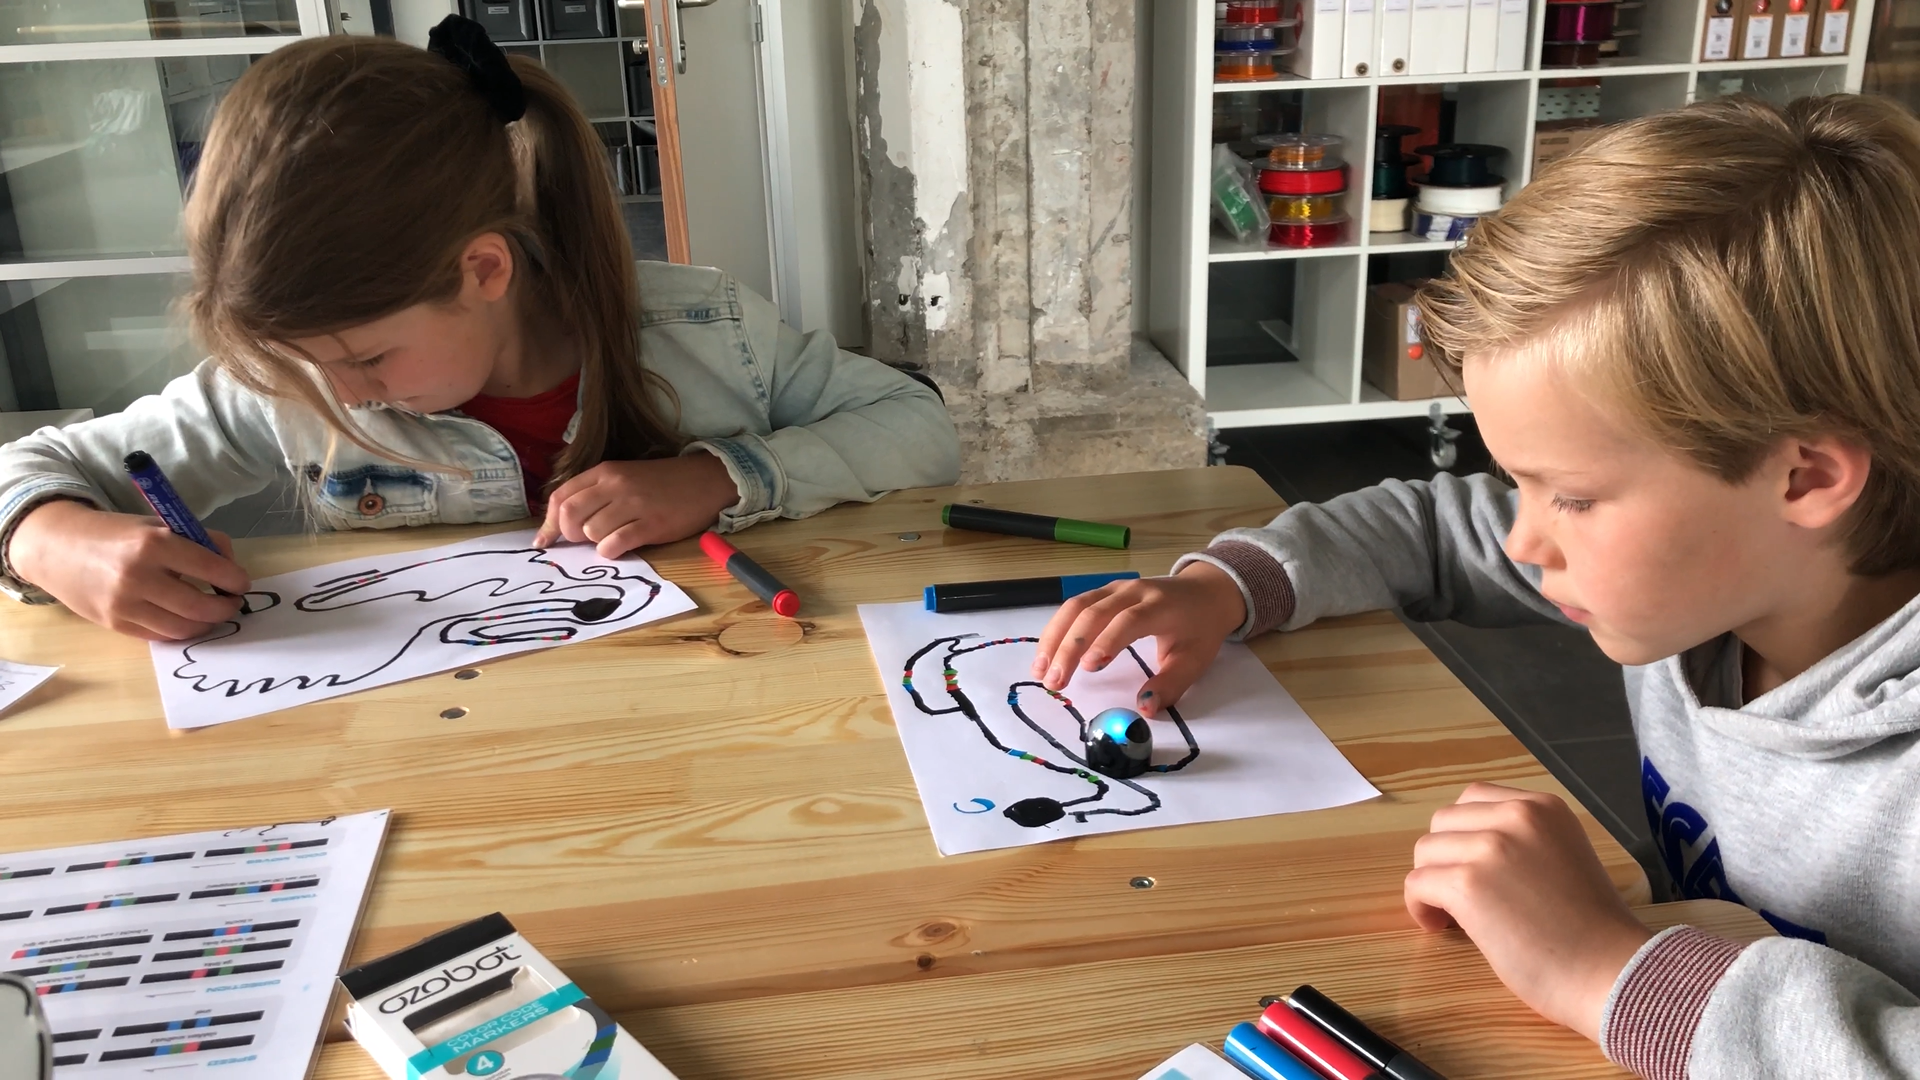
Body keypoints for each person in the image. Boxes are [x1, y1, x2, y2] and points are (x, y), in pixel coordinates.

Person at [1034, 93, 1920, 1078]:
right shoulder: (1731, 573)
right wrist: (1230, 587)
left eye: (1572, 497)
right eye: (1518, 482)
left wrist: (1607, 971)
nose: (1524, 537)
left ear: (1806, 479)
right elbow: (1428, 527)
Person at [0, 17, 958, 642]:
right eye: (308, 366)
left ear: (485, 270)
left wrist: (715, 477)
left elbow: (918, 426)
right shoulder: (292, 384)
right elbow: (32, 469)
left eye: (369, 358)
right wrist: (52, 544)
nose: (342, 395)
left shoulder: (705, 327)